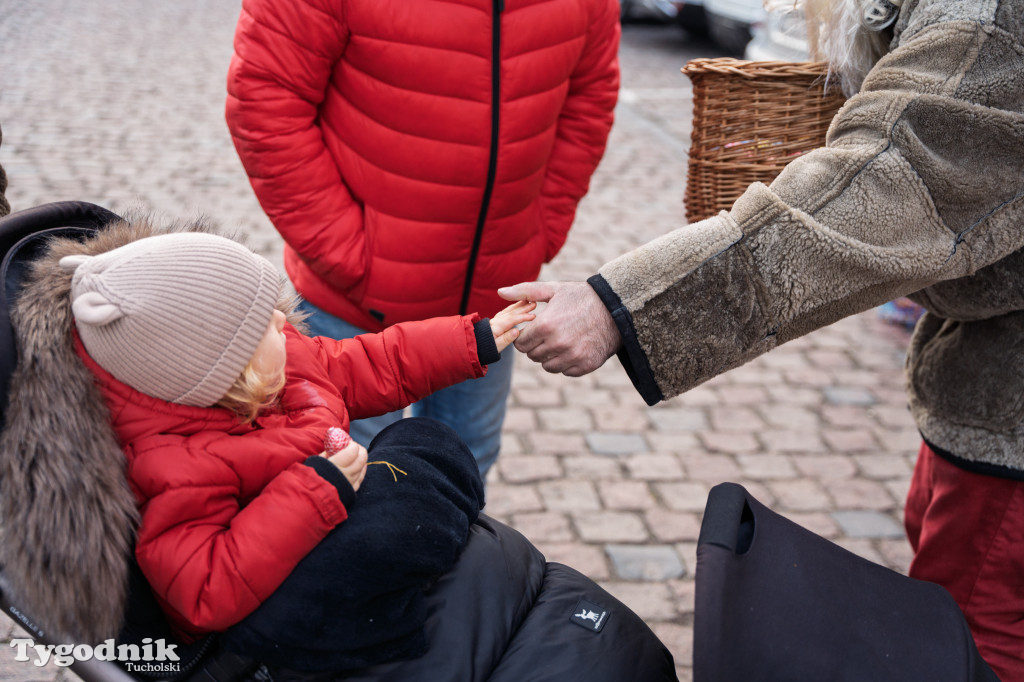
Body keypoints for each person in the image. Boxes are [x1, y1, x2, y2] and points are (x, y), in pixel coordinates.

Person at [500, 0, 1024, 678]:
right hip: (979, 382)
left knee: (980, 640)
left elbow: (890, 178)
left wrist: (619, 306)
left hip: (1007, 420)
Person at [0, 210, 679, 680]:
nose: (284, 324)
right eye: (264, 325)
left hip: (333, 528)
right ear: (219, 372)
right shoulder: (179, 465)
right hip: (287, 599)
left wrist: (474, 338)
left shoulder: (270, 369)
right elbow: (199, 591)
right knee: (405, 481)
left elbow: (374, 363)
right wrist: (312, 492)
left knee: (423, 441)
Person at [224, 0, 621, 478]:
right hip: (352, 306)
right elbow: (265, 97)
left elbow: (589, 100)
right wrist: (350, 255)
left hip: (492, 297)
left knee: (465, 472)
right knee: (348, 485)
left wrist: (542, 229)